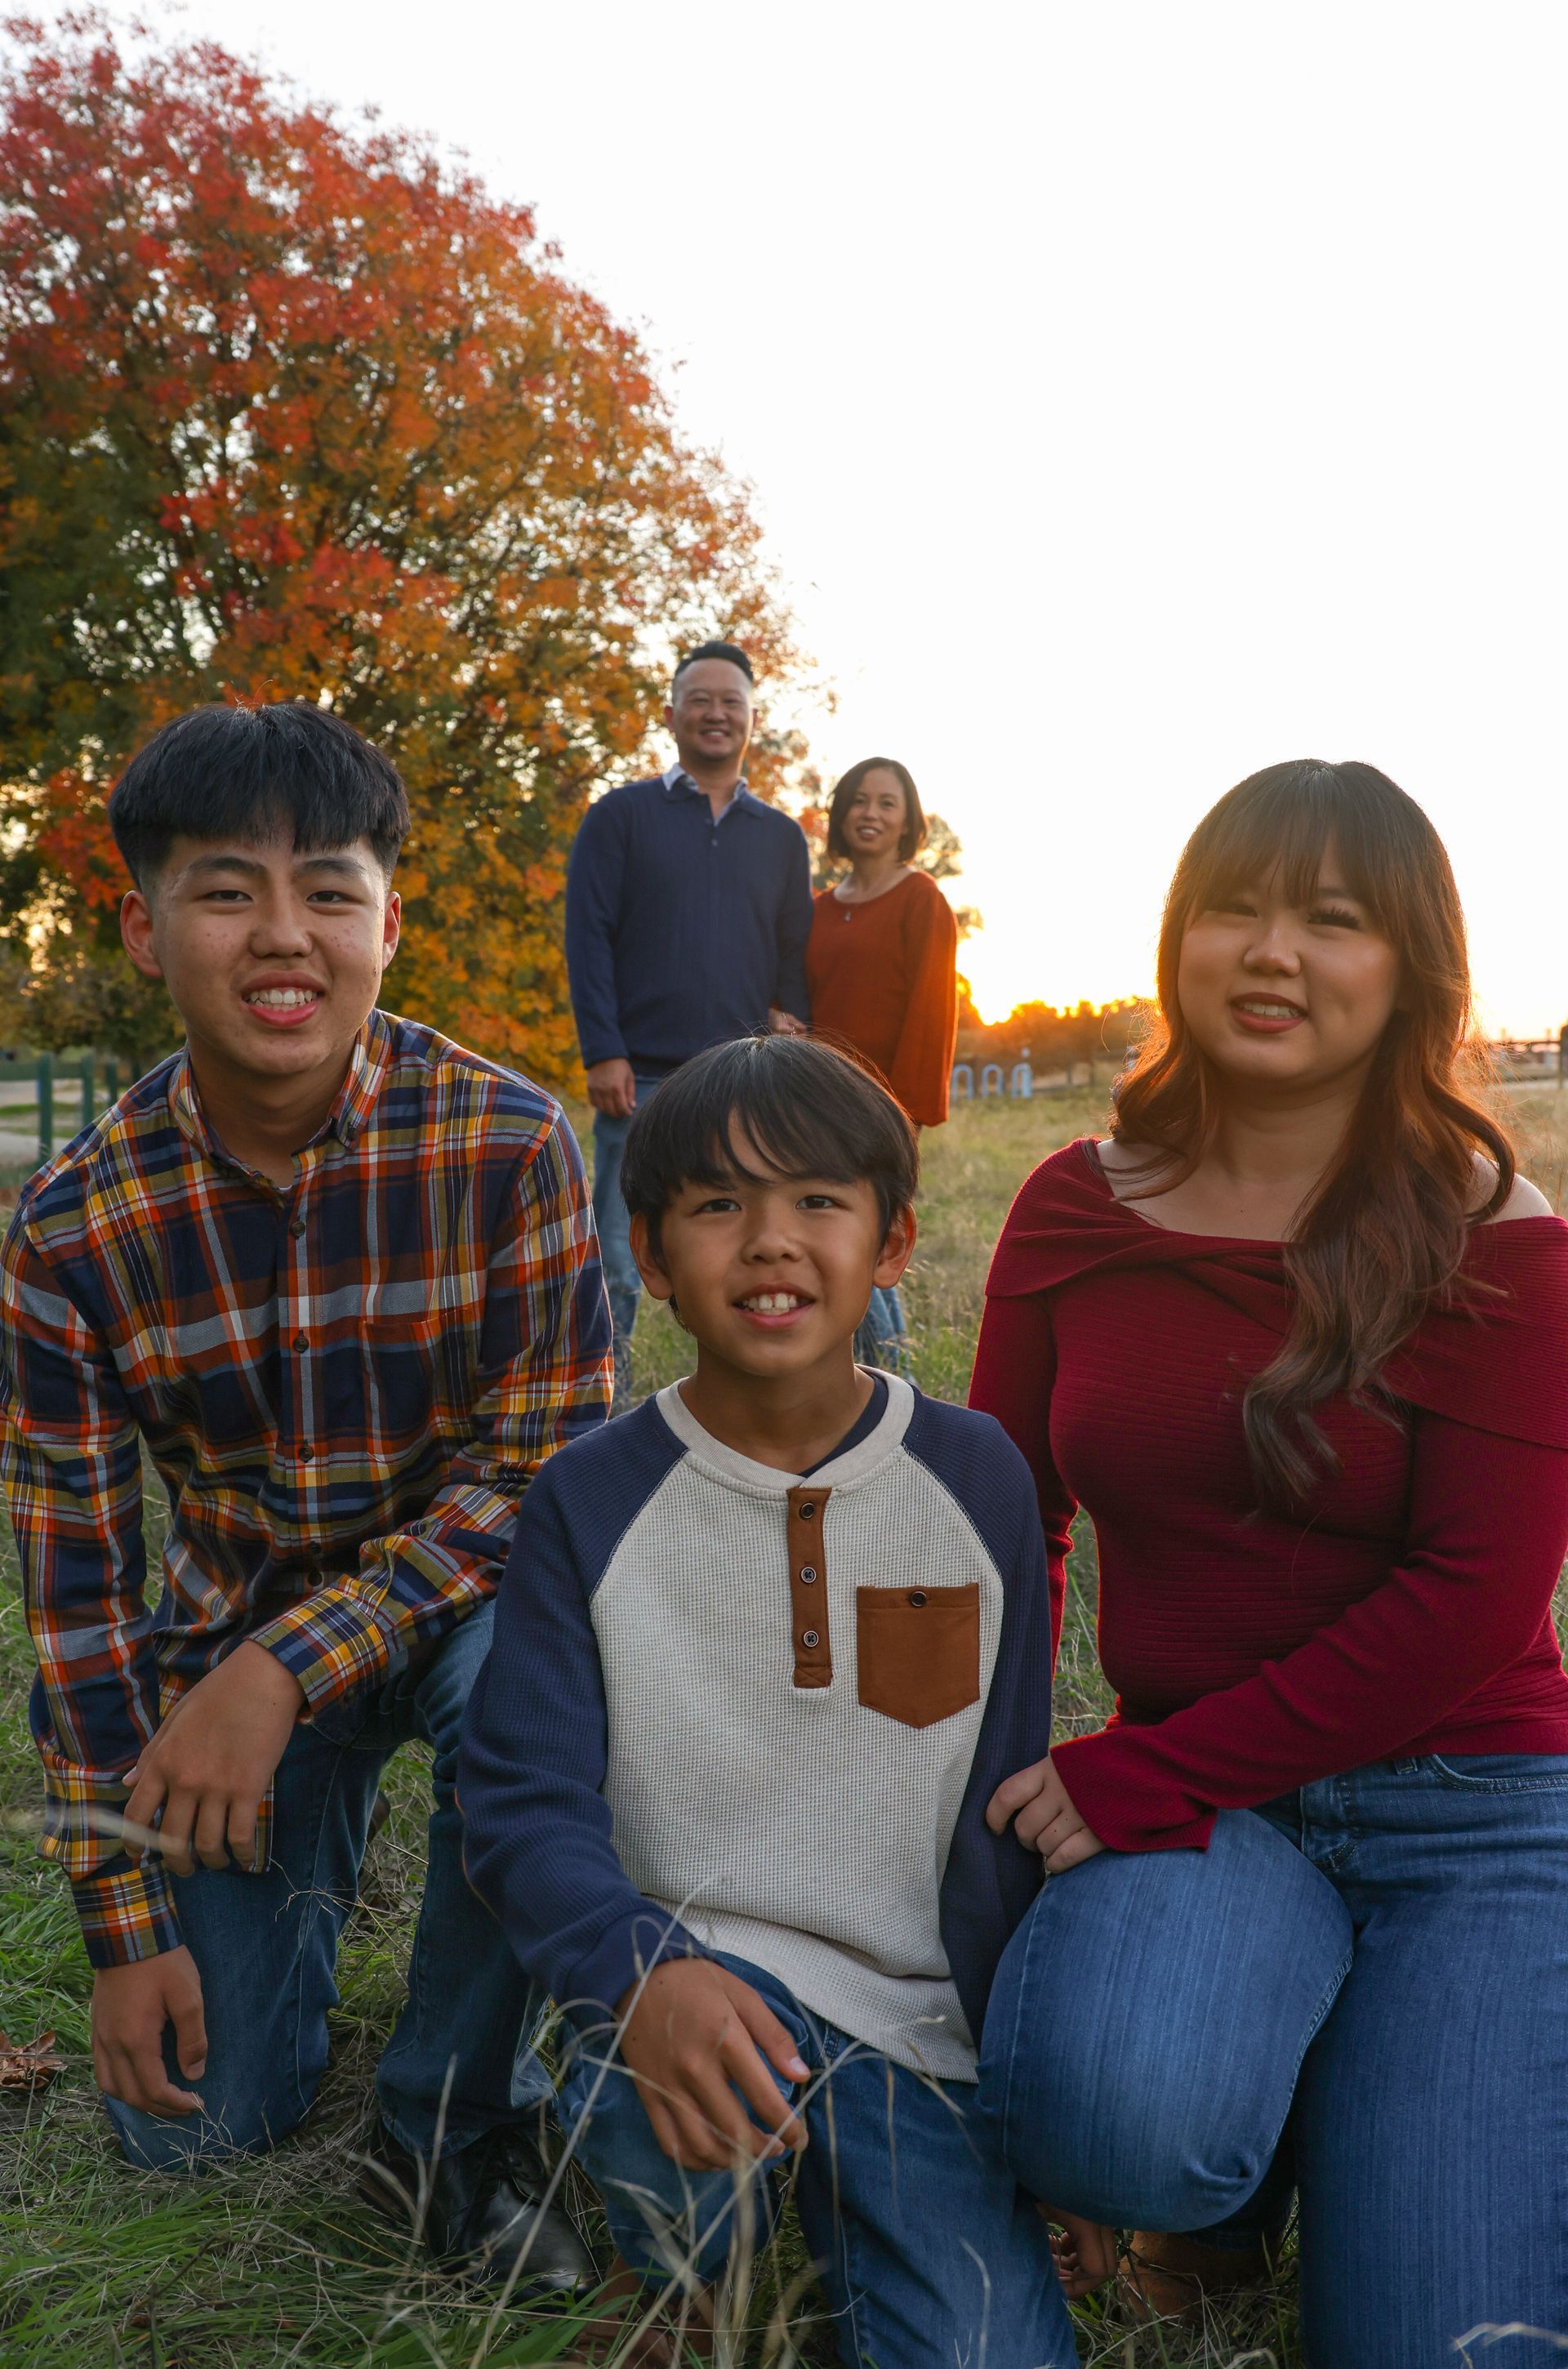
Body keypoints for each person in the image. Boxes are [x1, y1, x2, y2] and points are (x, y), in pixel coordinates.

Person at [0, 703, 609, 2291]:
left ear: (387, 924)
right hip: (227, 1649)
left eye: (328, 891)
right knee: (196, 2129)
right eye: (226, 890)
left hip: (466, 1621)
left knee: (554, 1677)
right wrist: (124, 1931)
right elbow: (76, 1607)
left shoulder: (512, 1145)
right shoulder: (72, 1230)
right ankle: (292, 1906)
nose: (284, 935)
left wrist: (291, 1664)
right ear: (143, 929)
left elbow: (544, 1471)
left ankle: (455, 2124)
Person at [968, 760, 1568, 2368]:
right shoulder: (1075, 1209)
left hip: (1469, 1811)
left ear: (1413, 967)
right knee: (1103, 2115)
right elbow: (1002, 1528)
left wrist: (1143, 1774)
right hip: (1211, 1811)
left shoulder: (1497, 1234)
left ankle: (1366, 2093)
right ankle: (1235, 2136)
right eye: (1235, 907)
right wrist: (994, 1802)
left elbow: (1472, 1601)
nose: (1274, 952)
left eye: (1334, 918)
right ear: (1180, 937)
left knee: (1453, 2346)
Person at [458, 1033, 1074, 2369]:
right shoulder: (590, 1499)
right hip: (685, 1981)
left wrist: (1034, 2104)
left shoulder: (978, 1481)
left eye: (818, 1201)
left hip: (917, 2026)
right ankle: (691, 2293)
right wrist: (637, 1973)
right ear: (652, 1254)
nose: (772, 1241)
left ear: (893, 1242)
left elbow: (1005, 1803)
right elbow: (520, 1802)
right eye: (719, 1205)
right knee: (676, 2146)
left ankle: (872, 2239)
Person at [564, 641, 814, 1405]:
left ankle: (745, 1395)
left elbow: (793, 950)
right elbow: (588, 937)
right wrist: (603, 1050)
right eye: (700, 699)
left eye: (731, 702)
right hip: (638, 1075)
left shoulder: (781, 836)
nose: (716, 713)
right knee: (616, 1254)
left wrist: (790, 1024)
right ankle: (603, 1407)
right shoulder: (620, 816)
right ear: (671, 715)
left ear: (752, 719)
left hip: (746, 1079)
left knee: (753, 1248)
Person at [806, 757, 958, 1368]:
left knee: (855, 1239)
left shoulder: (922, 899)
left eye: (886, 803)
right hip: (812, 1101)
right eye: (858, 800)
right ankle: (891, 1379)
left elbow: (931, 1012)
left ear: (907, 821)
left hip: (880, 1109)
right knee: (850, 1242)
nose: (870, 813)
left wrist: (905, 1114)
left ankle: (892, 1377)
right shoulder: (817, 908)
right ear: (841, 814)